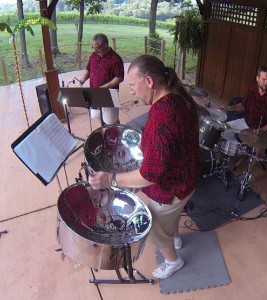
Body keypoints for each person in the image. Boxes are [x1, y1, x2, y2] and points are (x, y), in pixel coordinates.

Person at [88, 55, 200, 279]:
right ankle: (175, 237)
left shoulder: (162, 119)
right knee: (172, 215)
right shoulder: (177, 97)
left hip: (175, 186)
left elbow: (151, 174)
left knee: (155, 225)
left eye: (132, 85)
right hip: (190, 174)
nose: (131, 92)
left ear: (149, 82)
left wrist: (111, 179)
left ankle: (173, 260)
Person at [79, 33, 124, 125]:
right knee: (98, 115)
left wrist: (105, 87)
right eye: (93, 47)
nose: (95, 50)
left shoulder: (116, 59)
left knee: (112, 120)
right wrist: (83, 79)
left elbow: (119, 77)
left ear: (105, 45)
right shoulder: (93, 55)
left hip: (110, 93)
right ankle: (104, 133)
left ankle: (117, 134)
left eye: (97, 47)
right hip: (94, 92)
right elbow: (89, 69)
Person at [225, 66, 267, 133]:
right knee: (224, 127)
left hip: (261, 130)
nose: (266, 83)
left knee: (245, 142)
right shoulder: (252, 90)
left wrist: (264, 129)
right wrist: (228, 108)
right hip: (246, 123)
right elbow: (242, 105)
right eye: (263, 79)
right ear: (257, 78)